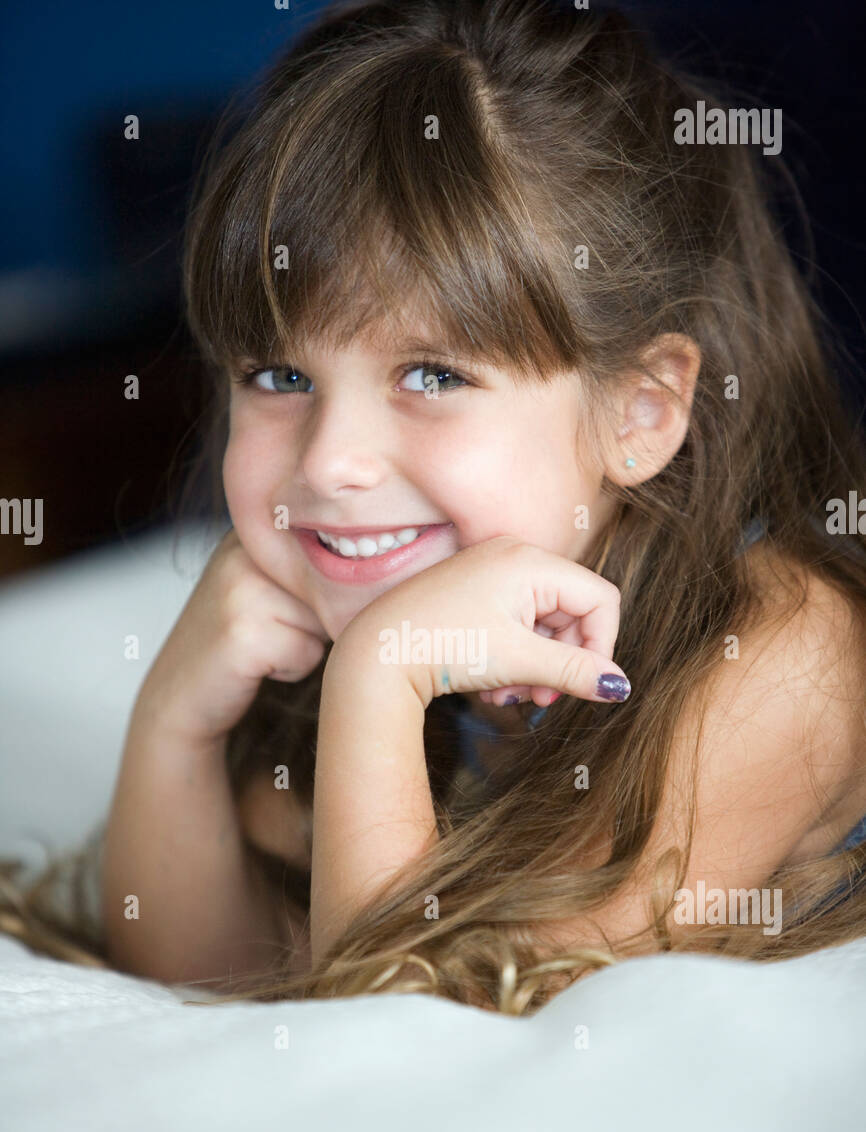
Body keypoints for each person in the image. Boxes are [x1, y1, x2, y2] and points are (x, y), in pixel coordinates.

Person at [4, 0, 866, 1016]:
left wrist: (382, 675)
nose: (330, 464)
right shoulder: (342, 620)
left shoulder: (780, 648)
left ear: (639, 412)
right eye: (279, 374)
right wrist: (176, 723)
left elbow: (430, 1035)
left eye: (431, 374)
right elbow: (207, 975)